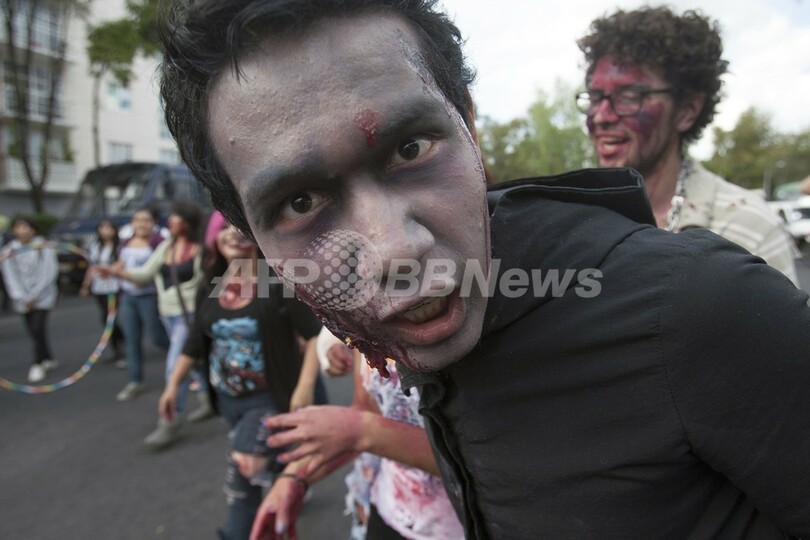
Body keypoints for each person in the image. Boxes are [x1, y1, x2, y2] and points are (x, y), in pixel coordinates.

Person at [158, 1, 810, 538]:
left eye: (410, 147)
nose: (394, 251)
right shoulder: (413, 320)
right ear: (251, 238)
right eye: (300, 203)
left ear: (469, 125)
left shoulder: (701, 305)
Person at [575, 6, 799, 284]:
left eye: (629, 97)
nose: (600, 116)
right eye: (596, 97)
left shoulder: (749, 230)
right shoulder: (569, 220)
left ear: (687, 111)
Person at [157, 211, 326, 540]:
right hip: (228, 402)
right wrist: (172, 385)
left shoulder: (277, 282)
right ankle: (289, 481)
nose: (233, 233)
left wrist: (305, 388)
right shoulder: (211, 284)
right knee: (269, 457)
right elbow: (194, 342)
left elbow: (313, 337)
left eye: (240, 226)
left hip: (269, 399)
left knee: (244, 476)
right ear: (214, 237)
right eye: (224, 227)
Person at [253, 328, 463, 540]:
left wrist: (363, 430)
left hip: (459, 526)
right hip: (389, 510)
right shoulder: (362, 319)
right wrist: (294, 477)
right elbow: (367, 412)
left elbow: (475, 459)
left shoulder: (468, 332)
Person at [110, 201, 205, 449]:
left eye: (176, 216)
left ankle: (170, 422)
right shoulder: (165, 247)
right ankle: (208, 400)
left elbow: (206, 283)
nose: (171, 221)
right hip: (168, 314)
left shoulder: (200, 249)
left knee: (174, 367)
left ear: (187, 221)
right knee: (192, 360)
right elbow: (144, 275)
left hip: (189, 315)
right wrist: (116, 273)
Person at [113, 207, 170, 402]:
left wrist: (142, 278)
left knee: (157, 337)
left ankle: (185, 360)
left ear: (153, 223)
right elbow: (120, 265)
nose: (141, 224)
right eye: (137, 220)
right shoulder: (125, 242)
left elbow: (157, 271)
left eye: (146, 220)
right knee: (131, 338)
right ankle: (135, 380)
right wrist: (109, 271)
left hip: (149, 296)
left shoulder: (159, 242)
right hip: (128, 297)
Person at [0, 216, 59, 383]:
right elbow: (9, 276)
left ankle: (37, 363)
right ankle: (48, 358)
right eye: (19, 227)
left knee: (37, 327)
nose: (23, 231)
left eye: (26, 227)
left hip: (42, 296)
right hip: (22, 298)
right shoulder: (9, 250)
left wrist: (34, 295)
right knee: (33, 330)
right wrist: (21, 296)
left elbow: (49, 272)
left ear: (33, 229)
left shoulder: (43, 246)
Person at [79, 218, 125, 363]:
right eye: (102, 228)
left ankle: (122, 344)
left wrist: (111, 270)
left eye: (108, 228)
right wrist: (85, 286)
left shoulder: (120, 247)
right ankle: (118, 345)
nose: (105, 231)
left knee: (110, 318)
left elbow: (123, 265)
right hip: (99, 288)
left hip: (114, 287)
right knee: (105, 319)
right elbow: (91, 267)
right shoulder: (95, 247)